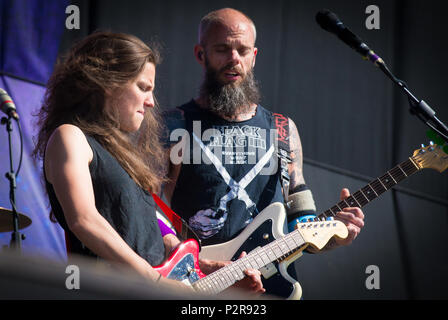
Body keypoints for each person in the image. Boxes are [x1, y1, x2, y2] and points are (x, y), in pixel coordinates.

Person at [32, 31, 264, 296]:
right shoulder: (69, 136)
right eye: (143, 87)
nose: (151, 101)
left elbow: (154, 233)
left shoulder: (122, 155)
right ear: (107, 82)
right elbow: (84, 220)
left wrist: (205, 267)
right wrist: (152, 280)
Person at [162, 8, 365, 296]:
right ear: (200, 54)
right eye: (222, 49)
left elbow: (302, 226)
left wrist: (335, 235)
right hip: (193, 284)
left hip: (266, 288)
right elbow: (151, 216)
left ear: (254, 56)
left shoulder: (283, 129)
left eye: (242, 50)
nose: (234, 59)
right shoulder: (172, 125)